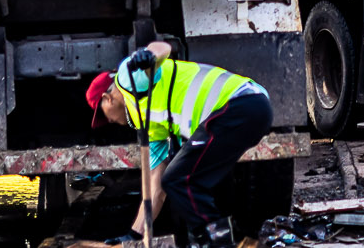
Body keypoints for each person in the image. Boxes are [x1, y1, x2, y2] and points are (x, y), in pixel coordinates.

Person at [87, 39, 272, 246]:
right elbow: (156, 187)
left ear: (107, 98)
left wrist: (148, 55)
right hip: (247, 111)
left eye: (103, 115)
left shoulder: (128, 78)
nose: (109, 121)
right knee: (188, 179)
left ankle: (217, 244)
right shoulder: (147, 123)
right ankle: (227, 238)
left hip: (240, 104)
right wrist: (134, 234)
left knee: (181, 179)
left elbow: (162, 48)